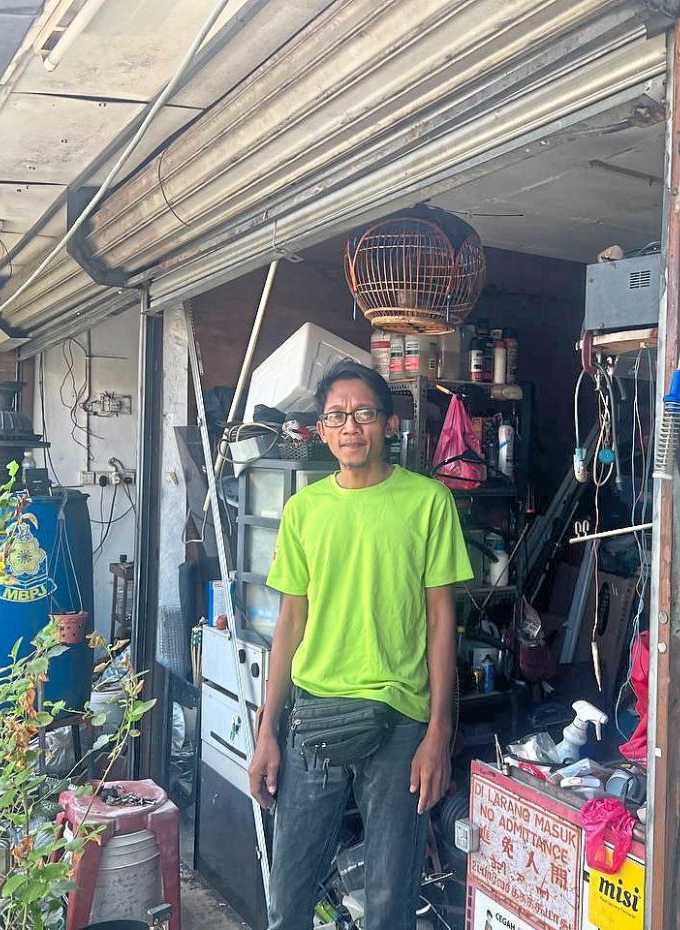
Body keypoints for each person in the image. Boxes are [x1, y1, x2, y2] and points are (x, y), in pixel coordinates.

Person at [251, 359, 473, 930]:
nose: (351, 426)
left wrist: (438, 735)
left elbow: (441, 622)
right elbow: (289, 626)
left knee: (388, 907)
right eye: (336, 416)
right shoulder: (303, 510)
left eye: (364, 413)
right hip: (313, 718)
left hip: (401, 724)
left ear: (389, 424)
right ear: (321, 431)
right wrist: (266, 733)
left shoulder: (427, 502)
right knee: (288, 899)